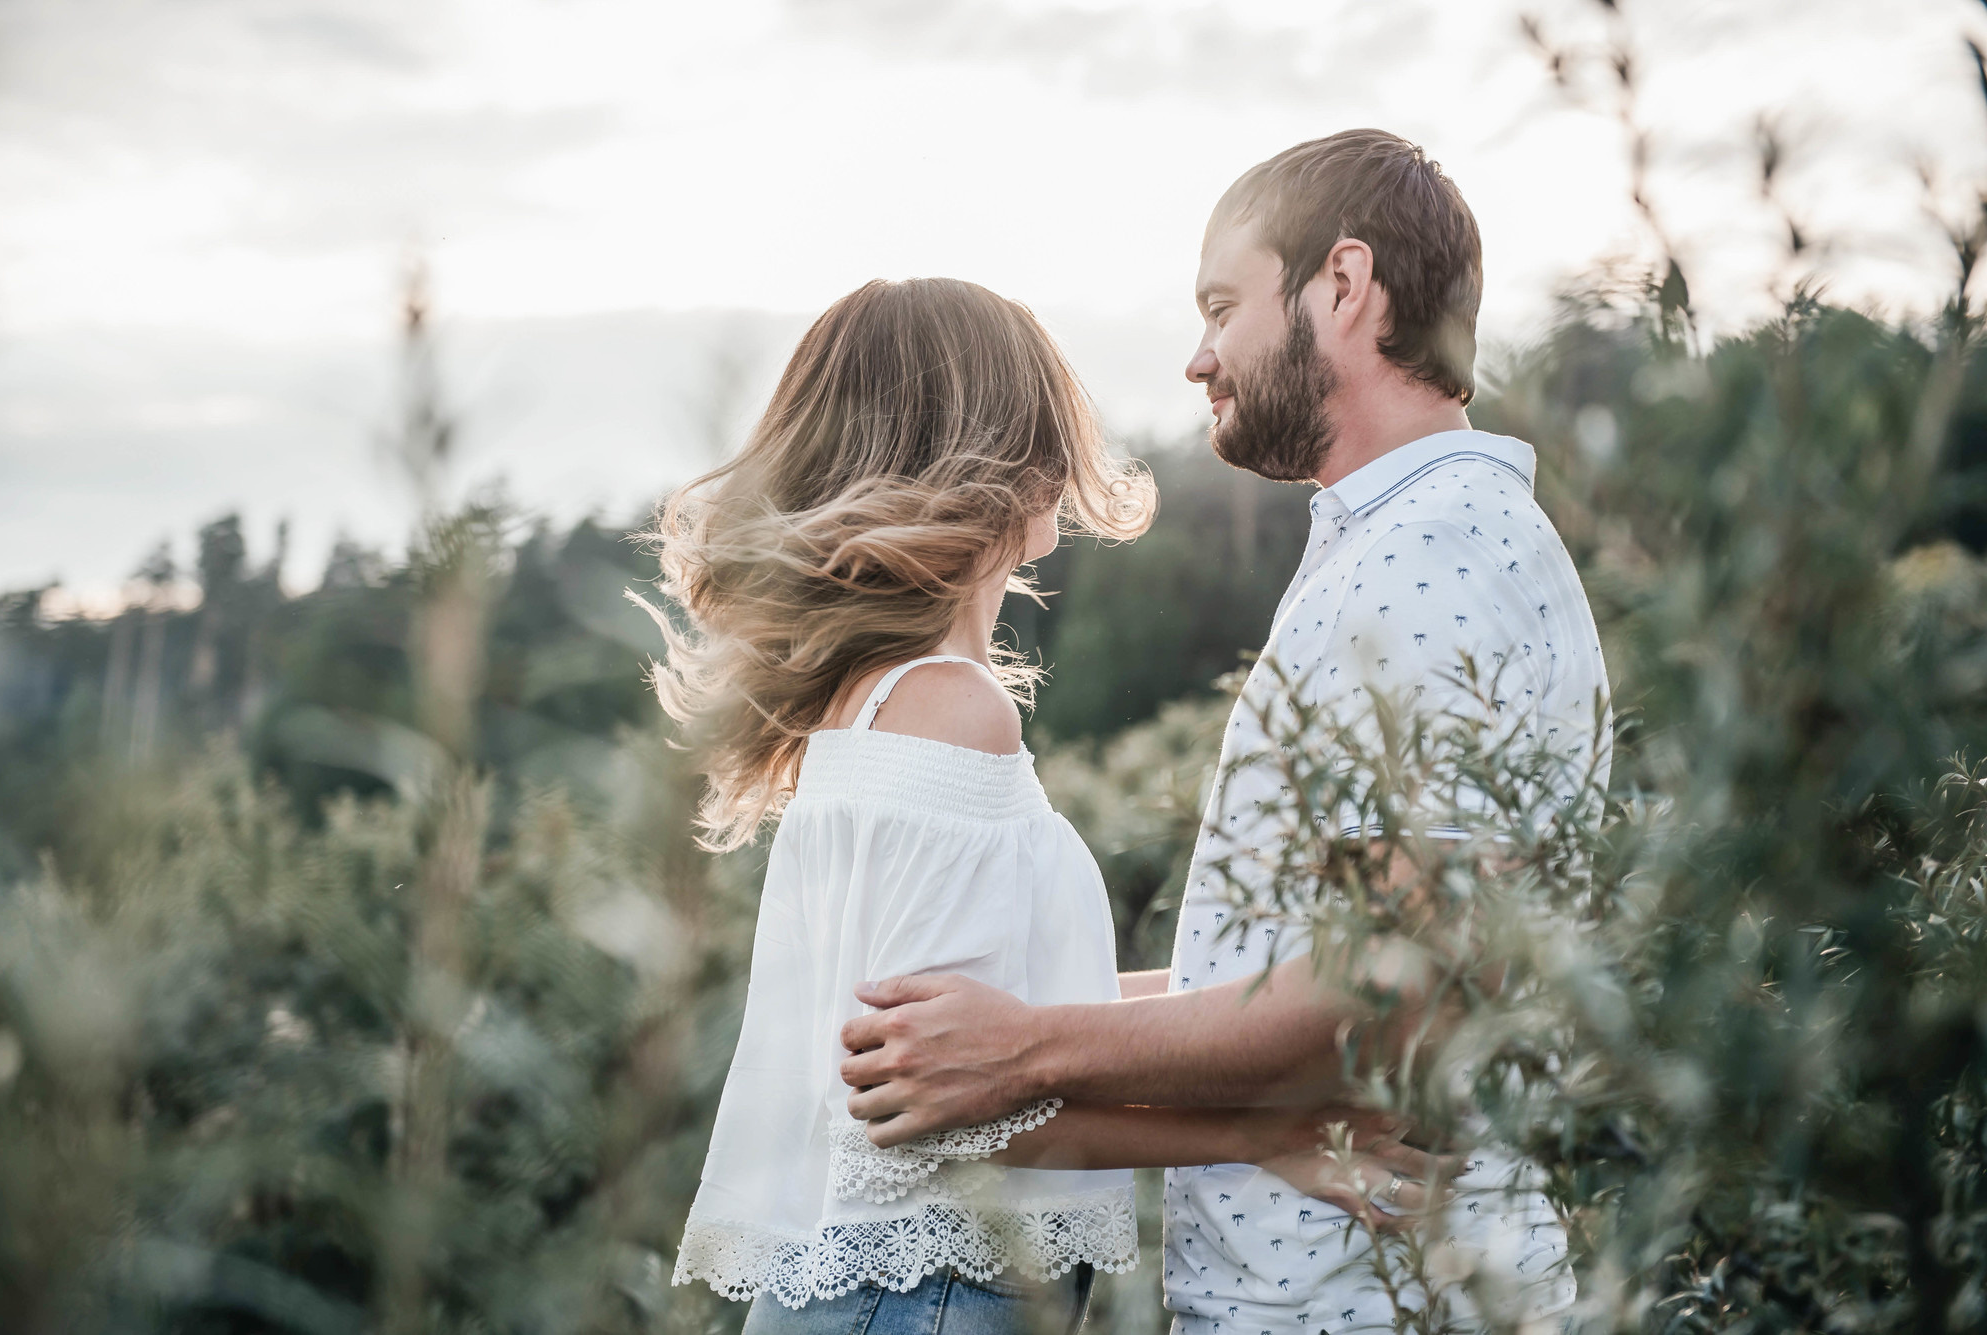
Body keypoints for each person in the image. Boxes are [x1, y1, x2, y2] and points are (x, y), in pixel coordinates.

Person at [836, 133, 1613, 1332]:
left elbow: (1403, 987)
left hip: (1370, 1300)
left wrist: (1032, 1050)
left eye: (1218, 308)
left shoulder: (1430, 559)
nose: (1198, 358)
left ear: (1342, 287)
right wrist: (1001, 1032)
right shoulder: (1397, 546)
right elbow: (1297, 959)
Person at [654, 277, 1449, 1335]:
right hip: (923, 1304)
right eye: (1045, 435)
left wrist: (1269, 1004)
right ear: (994, 463)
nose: (1062, 472)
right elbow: (946, 1118)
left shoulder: (868, 709)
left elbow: (1004, 1030)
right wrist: (1264, 1131)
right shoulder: (947, 709)